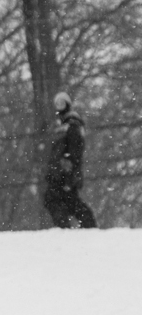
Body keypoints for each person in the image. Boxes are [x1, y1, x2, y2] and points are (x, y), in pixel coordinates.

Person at [43, 91, 97, 229]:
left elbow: (75, 152)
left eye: (62, 103)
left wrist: (68, 169)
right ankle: (81, 226)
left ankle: (67, 227)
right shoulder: (61, 126)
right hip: (59, 172)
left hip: (65, 173)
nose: (59, 106)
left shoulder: (72, 125)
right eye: (57, 103)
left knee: (56, 200)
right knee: (67, 201)